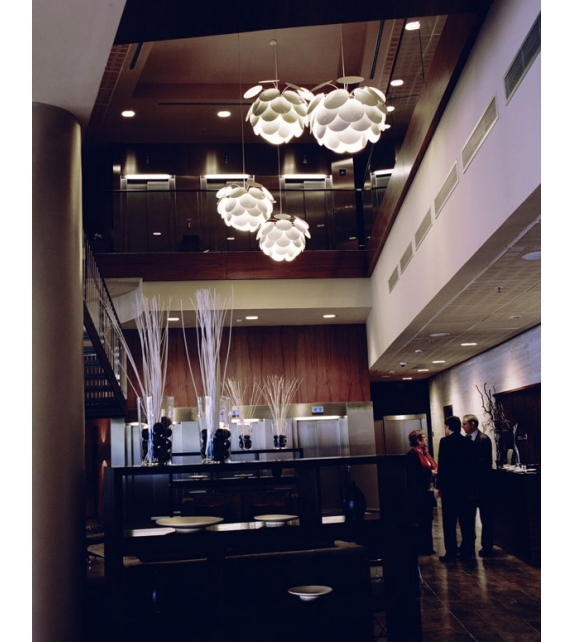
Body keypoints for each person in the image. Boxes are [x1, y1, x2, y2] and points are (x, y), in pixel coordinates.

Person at [435, 415, 478, 562]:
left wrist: (438, 486)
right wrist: (473, 489)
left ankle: (451, 552)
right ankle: (466, 552)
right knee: (466, 522)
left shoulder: (445, 442)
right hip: (465, 489)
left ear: (448, 427)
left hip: (450, 489)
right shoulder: (468, 442)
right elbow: (472, 469)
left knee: (449, 522)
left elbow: (442, 466)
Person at [462, 413, 494, 556]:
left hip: (483, 487)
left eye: (465, 424)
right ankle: (468, 545)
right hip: (469, 487)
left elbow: (485, 463)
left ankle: (487, 546)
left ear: (472, 424)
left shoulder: (484, 439)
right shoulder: (465, 440)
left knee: (486, 517)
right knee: (468, 518)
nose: (463, 427)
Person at [406, 430, 438, 555]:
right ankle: (422, 547)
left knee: (428, 519)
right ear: (418, 440)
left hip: (428, 491)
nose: (426, 439)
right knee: (421, 520)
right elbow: (414, 474)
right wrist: (430, 473)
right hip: (419, 493)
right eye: (424, 437)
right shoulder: (412, 455)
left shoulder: (425, 453)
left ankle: (428, 546)